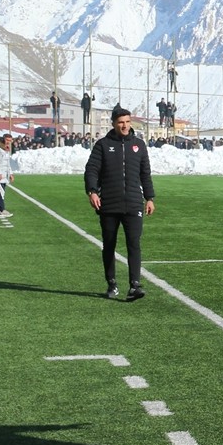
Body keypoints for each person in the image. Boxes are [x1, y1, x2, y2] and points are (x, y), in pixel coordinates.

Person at [84, 108, 156, 301]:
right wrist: (92, 191)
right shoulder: (103, 145)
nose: (124, 125)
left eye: (127, 122)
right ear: (114, 124)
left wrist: (149, 197)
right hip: (109, 204)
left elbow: (145, 175)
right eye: (120, 122)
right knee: (109, 245)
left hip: (133, 204)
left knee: (134, 244)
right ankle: (112, 283)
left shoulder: (139, 145)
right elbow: (91, 170)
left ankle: (134, 285)